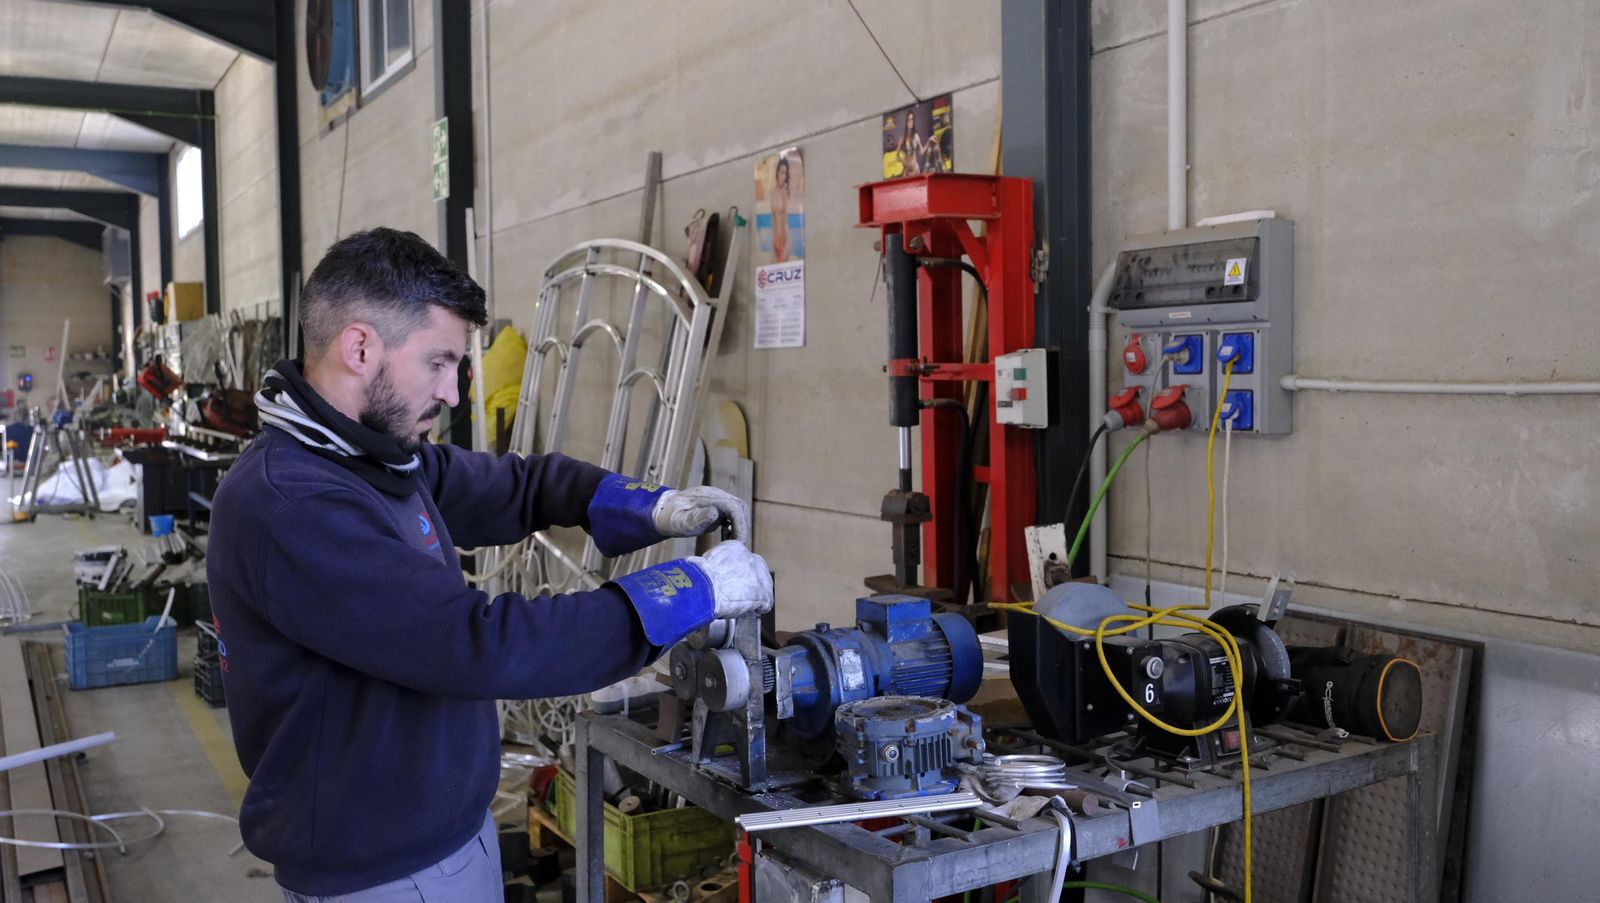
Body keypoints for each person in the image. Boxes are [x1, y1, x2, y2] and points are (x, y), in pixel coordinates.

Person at [206, 228, 772, 901]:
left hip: (443, 836)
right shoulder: (291, 504)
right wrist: (686, 590)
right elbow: (476, 643)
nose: (452, 393)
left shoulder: (369, 457)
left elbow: (513, 485)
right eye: (439, 363)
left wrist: (646, 507)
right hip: (382, 874)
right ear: (361, 347)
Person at [770, 156, 791, 263]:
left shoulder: (784, 191)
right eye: (781, 172)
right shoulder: (773, 191)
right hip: (776, 234)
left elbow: (785, 213)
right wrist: (774, 237)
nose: (783, 176)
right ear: (777, 173)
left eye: (785, 173)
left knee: (782, 264)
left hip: (784, 233)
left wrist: (782, 237)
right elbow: (773, 216)